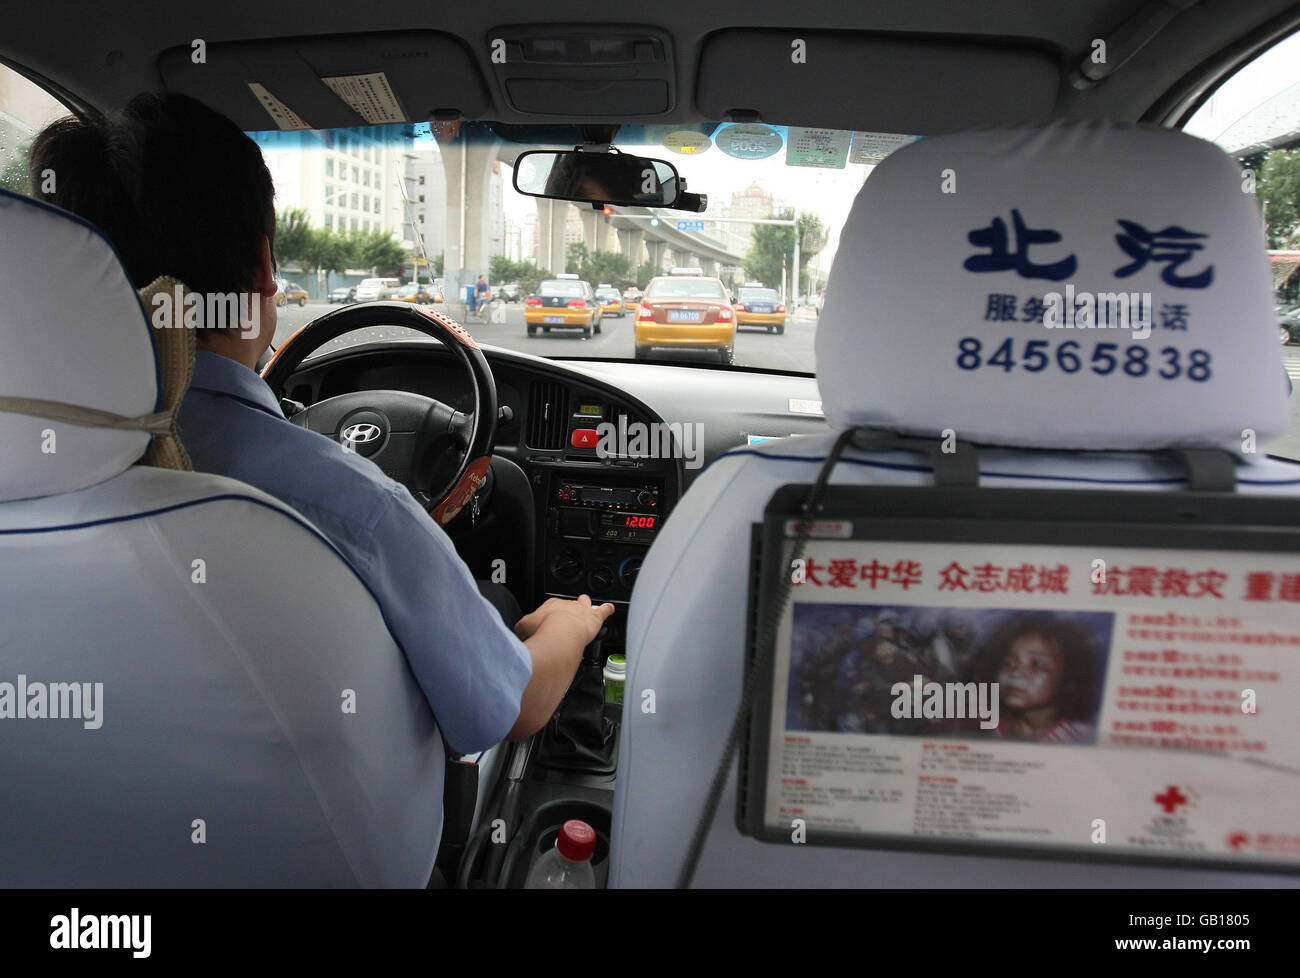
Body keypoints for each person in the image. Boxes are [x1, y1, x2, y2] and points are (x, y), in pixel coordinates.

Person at [27, 92, 611, 761]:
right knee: (498, 602)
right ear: (264, 268)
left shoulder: (32, 466)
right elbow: (516, 707)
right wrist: (570, 623)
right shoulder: (352, 509)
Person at [965, 614, 1105, 744]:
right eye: (1008, 663)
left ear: (1069, 681)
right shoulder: (986, 726)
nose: (1016, 674)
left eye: (1036, 664)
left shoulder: (1081, 739)